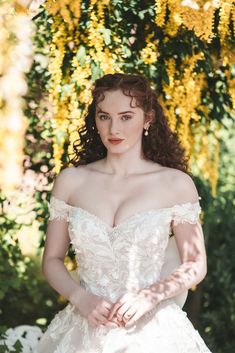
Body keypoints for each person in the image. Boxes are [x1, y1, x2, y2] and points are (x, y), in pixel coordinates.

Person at [34, 73, 212, 352]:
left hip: (155, 333)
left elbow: (195, 264)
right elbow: (52, 260)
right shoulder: (71, 181)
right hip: (83, 329)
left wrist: (151, 296)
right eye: (104, 116)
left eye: (126, 116)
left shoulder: (175, 183)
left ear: (148, 119)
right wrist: (80, 298)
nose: (113, 128)